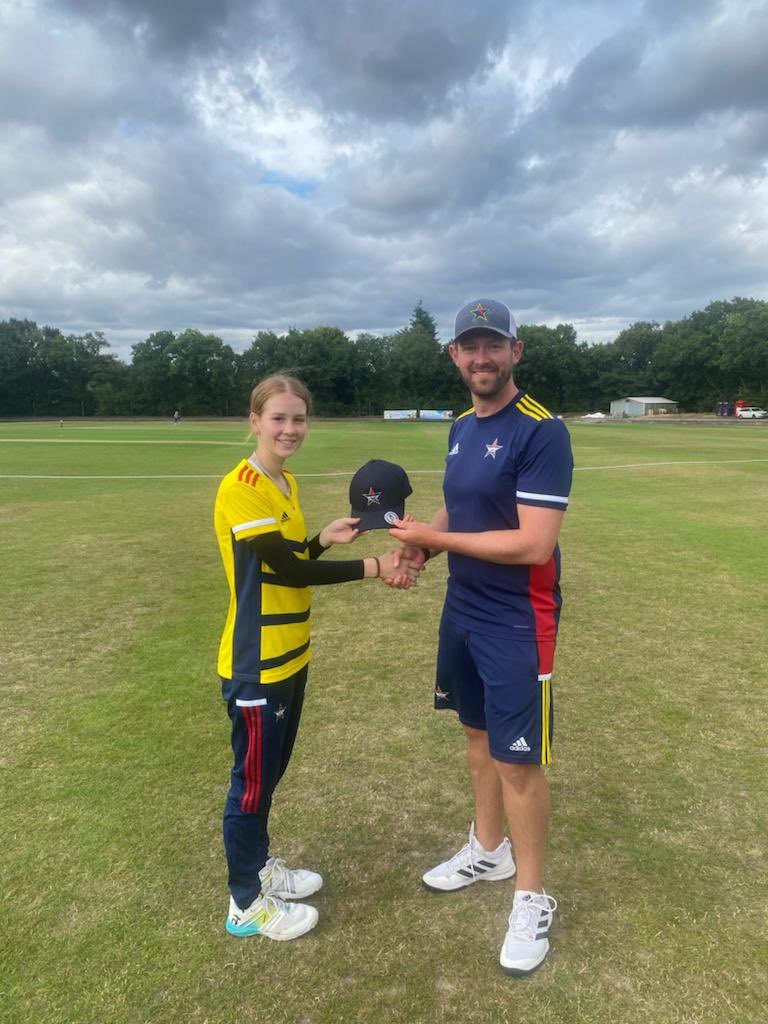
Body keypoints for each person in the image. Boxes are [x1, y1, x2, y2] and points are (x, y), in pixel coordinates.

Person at [388, 298, 573, 975]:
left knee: (518, 760)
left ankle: (531, 896)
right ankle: (488, 850)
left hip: (518, 619)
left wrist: (434, 537)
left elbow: (534, 543)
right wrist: (426, 551)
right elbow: (457, 507)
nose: (481, 357)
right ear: (455, 357)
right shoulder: (462, 426)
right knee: (475, 737)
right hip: (462, 608)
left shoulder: (541, 430)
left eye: (493, 345)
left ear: (515, 352)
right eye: (470, 346)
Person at [214, 373, 421, 942]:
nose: (289, 428)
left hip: (290, 656)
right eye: (277, 418)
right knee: (251, 784)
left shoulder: (284, 483)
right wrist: (376, 566)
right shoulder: (244, 486)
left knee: (269, 775)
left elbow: (290, 557)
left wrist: (325, 537)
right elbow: (290, 572)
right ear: (254, 421)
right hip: (256, 663)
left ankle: (259, 868)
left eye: (298, 418)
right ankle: (245, 903)